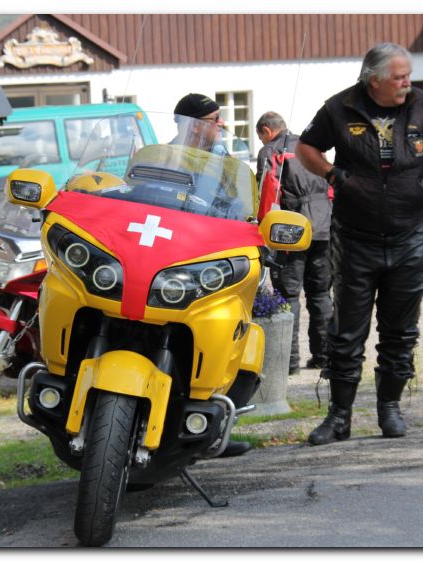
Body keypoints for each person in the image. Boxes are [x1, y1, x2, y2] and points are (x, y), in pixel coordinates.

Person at [295, 42, 423, 445]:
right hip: (355, 240)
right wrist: (335, 177)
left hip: (409, 237)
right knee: (347, 332)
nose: (407, 82)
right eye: (399, 76)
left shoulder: (422, 105)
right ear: (374, 80)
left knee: (401, 332)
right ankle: (339, 418)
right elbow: (305, 148)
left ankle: (390, 410)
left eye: (408, 75)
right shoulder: (339, 108)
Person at [171, 93, 252, 458]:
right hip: (169, 254)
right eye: (213, 120)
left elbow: (241, 210)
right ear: (190, 124)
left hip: (209, 257)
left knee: (230, 334)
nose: (220, 126)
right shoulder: (162, 154)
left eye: (219, 119)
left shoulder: (227, 163)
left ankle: (215, 427)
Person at [255, 111, 332, 376]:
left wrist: (262, 231)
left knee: (288, 294)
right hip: (325, 225)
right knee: (321, 293)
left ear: (266, 131)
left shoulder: (270, 152)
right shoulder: (311, 147)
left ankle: (289, 361)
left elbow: (267, 193)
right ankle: (323, 355)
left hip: (291, 229)